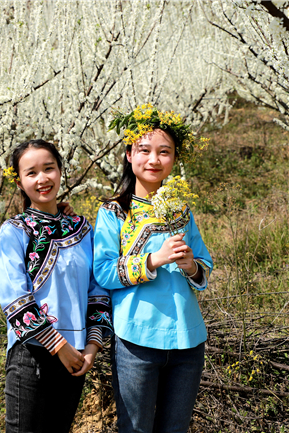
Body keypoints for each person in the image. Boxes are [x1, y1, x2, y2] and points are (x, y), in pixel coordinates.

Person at [94, 104, 213, 433]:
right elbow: (102, 271)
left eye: (164, 152)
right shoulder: (113, 211)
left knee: (175, 428)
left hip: (187, 339)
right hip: (137, 339)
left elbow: (205, 265)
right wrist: (154, 259)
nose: (154, 160)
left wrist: (191, 265)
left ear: (174, 159)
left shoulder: (181, 209)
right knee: (135, 428)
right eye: (144, 150)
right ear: (129, 155)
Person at [0, 139, 113, 433]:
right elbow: (14, 299)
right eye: (31, 173)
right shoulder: (14, 231)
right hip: (31, 353)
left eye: (49, 169)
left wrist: (92, 346)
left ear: (61, 171)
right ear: (19, 182)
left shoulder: (83, 229)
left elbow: (98, 291)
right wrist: (58, 346)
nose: (42, 178)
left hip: (78, 357)